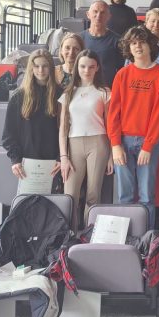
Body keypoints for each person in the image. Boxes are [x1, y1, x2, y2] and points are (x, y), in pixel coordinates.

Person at [107, 26, 159, 229]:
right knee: (124, 196)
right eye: (133, 43)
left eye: (142, 42)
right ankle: (125, 237)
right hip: (123, 142)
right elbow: (113, 112)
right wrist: (115, 144)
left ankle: (146, 239)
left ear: (150, 45)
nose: (137, 46)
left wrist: (148, 145)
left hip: (148, 143)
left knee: (146, 196)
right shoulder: (122, 75)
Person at [59, 50, 113, 231]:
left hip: (98, 143)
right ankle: (70, 233)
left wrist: (111, 154)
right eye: (82, 66)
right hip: (73, 144)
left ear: (97, 68)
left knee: (93, 193)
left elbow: (110, 124)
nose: (86, 70)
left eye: (91, 67)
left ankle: (89, 233)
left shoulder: (104, 92)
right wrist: (64, 157)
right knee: (70, 194)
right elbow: (63, 128)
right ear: (77, 67)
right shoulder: (69, 93)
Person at [2, 49, 62, 180]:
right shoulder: (18, 97)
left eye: (45, 66)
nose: (41, 70)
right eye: (36, 66)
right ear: (31, 68)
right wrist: (15, 160)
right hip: (26, 163)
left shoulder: (61, 94)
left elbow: (66, 131)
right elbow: (8, 135)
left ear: (51, 68)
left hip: (54, 163)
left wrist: (61, 157)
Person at [80, 0, 123, 87]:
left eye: (103, 13)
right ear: (88, 14)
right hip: (83, 88)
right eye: (95, 11)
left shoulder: (117, 40)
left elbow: (121, 69)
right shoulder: (79, 38)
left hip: (108, 90)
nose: (98, 16)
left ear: (109, 16)